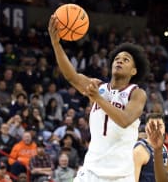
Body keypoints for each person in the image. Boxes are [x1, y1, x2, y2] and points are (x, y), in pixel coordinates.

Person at [48, 15, 150, 182]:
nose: (120, 61)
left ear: (134, 71)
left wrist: (98, 99)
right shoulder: (98, 86)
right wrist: (56, 44)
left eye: (126, 60)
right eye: (117, 59)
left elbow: (125, 120)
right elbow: (71, 76)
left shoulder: (136, 93)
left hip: (120, 176)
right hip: (90, 171)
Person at [133, 113, 168, 182]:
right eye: (152, 126)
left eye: (159, 126)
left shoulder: (164, 148)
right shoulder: (140, 150)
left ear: (164, 128)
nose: (156, 129)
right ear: (146, 128)